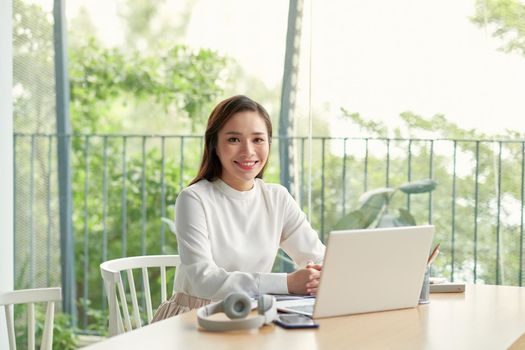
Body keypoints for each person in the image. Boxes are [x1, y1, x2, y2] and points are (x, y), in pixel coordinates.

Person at [153, 95, 325, 321]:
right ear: (214, 145)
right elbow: (202, 279)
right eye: (234, 139)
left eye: (258, 140)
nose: (248, 151)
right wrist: (288, 283)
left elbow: (318, 257)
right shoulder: (193, 198)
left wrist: (321, 275)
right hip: (195, 318)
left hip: (253, 315)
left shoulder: (277, 198)